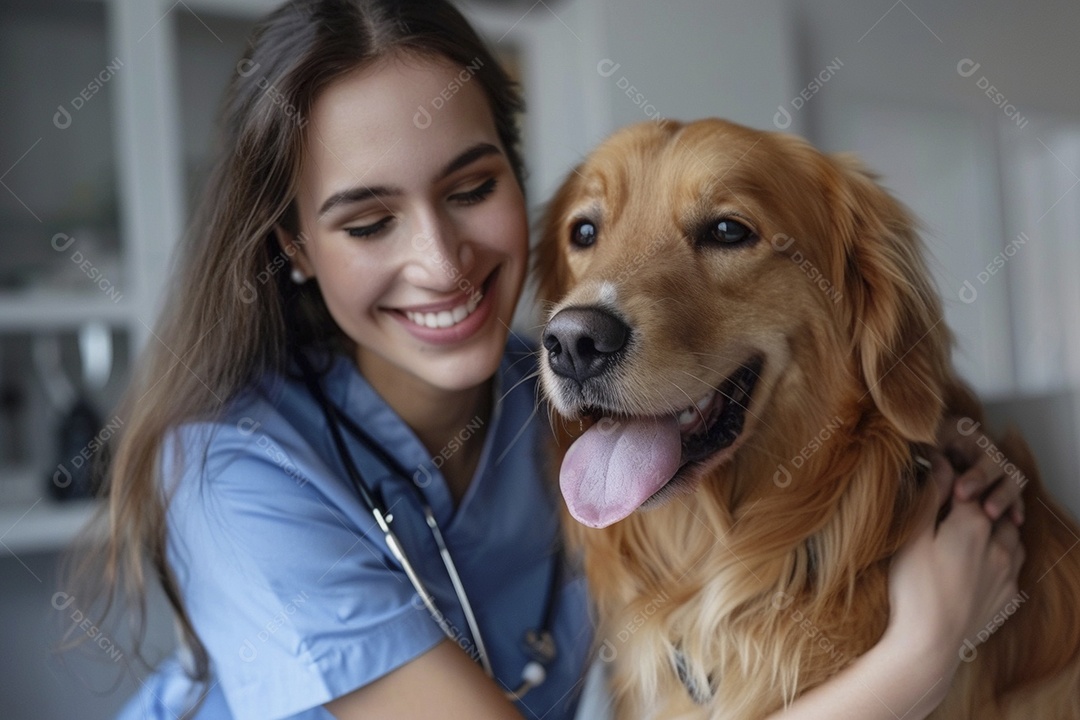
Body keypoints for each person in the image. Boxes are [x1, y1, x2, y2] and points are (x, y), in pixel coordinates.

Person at [85, 1, 1025, 719]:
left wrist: (948, 457)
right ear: (294, 246)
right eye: (368, 222)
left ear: (514, 173)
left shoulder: (560, 391)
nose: (441, 262)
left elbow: (863, 390)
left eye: (470, 187)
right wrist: (918, 658)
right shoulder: (230, 476)